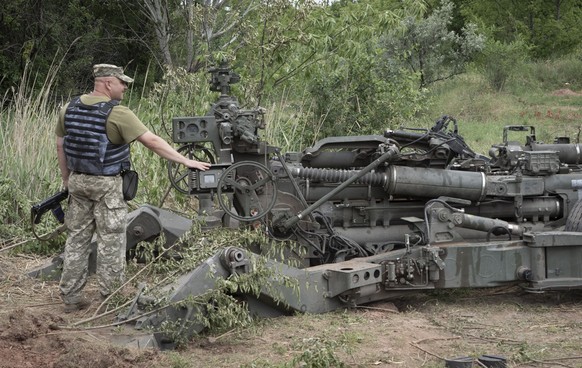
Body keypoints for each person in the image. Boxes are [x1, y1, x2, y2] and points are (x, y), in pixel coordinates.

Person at [55, 63, 211, 313]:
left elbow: (60, 144)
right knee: (112, 240)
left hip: (77, 181)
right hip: (106, 184)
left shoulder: (69, 107)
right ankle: (111, 300)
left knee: (77, 239)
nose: (125, 87)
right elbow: (151, 141)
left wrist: (66, 178)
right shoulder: (118, 113)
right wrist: (184, 160)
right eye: (121, 82)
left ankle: (71, 298)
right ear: (107, 83)